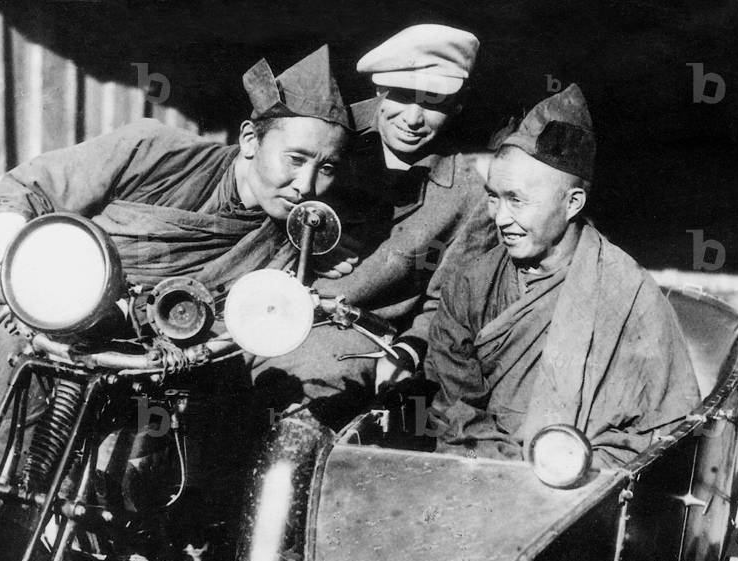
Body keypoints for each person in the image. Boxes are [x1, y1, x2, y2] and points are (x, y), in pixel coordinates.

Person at [0, 46, 356, 520]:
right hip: (10, 339)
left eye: (327, 167)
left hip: (109, 384)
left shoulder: (290, 247)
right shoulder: (152, 150)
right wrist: (18, 261)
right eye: (296, 159)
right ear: (250, 140)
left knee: (41, 530)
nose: (308, 185)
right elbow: (30, 191)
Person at [425, 84, 700, 466]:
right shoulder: (471, 283)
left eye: (517, 200)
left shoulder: (628, 295)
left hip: (577, 490)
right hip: (478, 476)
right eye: (494, 197)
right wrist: (510, 468)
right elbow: (451, 406)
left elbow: (655, 433)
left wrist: (561, 468)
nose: (500, 218)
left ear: (572, 203)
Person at [300, 24, 496, 394]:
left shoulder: (470, 198)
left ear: (457, 104)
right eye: (403, 95)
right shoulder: (325, 135)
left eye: (433, 102)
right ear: (380, 90)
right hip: (267, 309)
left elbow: (446, 303)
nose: (412, 118)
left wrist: (408, 350)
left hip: (351, 340)